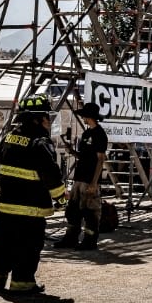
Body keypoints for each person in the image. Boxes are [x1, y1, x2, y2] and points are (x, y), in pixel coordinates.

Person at [0, 95, 67, 296]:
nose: (49, 121)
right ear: (36, 119)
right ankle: (23, 282)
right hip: (30, 208)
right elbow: (51, 174)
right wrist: (62, 199)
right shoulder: (40, 142)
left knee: (3, 245)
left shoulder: (9, 138)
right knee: (28, 246)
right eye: (46, 116)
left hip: (5, 207)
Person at [53, 101, 108, 250]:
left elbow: (101, 159)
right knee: (73, 210)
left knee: (90, 211)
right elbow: (85, 156)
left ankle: (90, 240)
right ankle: (71, 238)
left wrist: (94, 182)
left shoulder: (100, 134)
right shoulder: (87, 133)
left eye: (84, 115)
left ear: (89, 116)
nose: (82, 118)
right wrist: (72, 152)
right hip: (79, 178)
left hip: (89, 179)